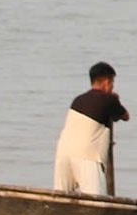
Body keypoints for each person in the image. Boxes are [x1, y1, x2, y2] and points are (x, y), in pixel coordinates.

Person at [53, 61, 129, 196]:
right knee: (96, 201)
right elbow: (125, 116)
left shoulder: (77, 100)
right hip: (88, 156)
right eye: (112, 83)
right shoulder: (109, 99)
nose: (112, 87)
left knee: (61, 199)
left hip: (63, 153)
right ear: (106, 82)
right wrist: (115, 99)